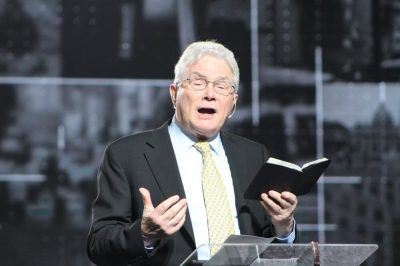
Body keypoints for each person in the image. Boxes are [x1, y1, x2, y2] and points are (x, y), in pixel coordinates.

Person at [87, 40, 298, 266]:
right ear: (174, 93)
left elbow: (275, 247)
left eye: (221, 86)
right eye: (198, 82)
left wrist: (284, 226)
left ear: (233, 103)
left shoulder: (254, 155)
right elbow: (99, 246)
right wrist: (144, 234)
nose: (210, 94)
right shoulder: (127, 155)